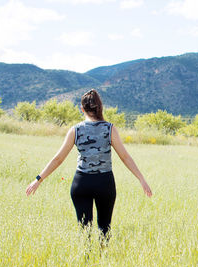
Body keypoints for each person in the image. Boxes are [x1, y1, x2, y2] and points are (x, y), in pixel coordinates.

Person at [26, 89, 152, 240]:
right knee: (104, 229)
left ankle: (86, 260)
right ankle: (102, 260)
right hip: (104, 183)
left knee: (84, 231)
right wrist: (141, 179)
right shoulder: (109, 128)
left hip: (81, 183)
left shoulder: (75, 130)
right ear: (100, 107)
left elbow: (58, 159)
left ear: (82, 108)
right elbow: (125, 157)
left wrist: (38, 179)